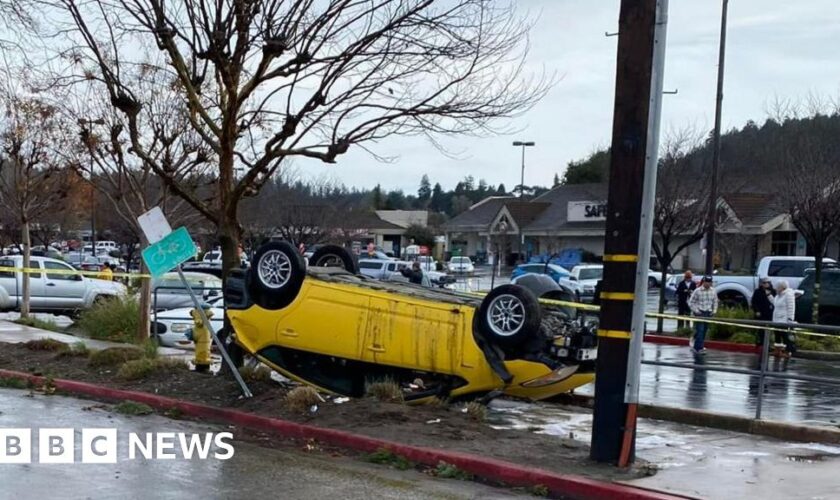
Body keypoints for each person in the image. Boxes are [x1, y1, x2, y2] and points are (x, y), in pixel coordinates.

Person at [688, 276, 718, 354]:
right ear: (703, 282)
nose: (707, 284)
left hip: (708, 313)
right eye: (706, 282)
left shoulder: (713, 291)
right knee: (700, 330)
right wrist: (696, 311)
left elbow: (715, 302)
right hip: (700, 312)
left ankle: (695, 341)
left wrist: (714, 311)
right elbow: (691, 302)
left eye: (709, 282)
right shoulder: (697, 291)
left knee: (704, 330)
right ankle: (699, 348)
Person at [773, 280, 797, 357]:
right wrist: (769, 296)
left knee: (786, 336)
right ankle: (778, 351)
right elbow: (775, 304)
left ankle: (788, 352)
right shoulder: (778, 296)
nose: (776, 289)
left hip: (784, 320)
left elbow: (791, 307)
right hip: (776, 319)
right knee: (777, 335)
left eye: (777, 287)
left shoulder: (788, 295)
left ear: (782, 287)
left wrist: (790, 319)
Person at [751, 278, 776, 347]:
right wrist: (756, 311)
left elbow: (775, 302)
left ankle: (768, 343)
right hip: (761, 313)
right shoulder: (758, 291)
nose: (765, 284)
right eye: (764, 283)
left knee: (769, 329)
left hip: (770, 313)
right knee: (761, 329)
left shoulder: (773, 291)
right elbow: (754, 302)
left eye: (767, 283)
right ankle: (760, 342)